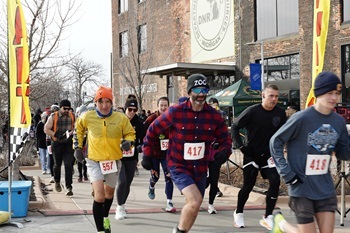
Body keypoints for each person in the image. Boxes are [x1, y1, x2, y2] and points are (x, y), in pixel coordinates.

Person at [142, 74, 232, 233]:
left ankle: (180, 230)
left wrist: (223, 153)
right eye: (197, 90)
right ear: (190, 91)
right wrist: (147, 153)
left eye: (205, 90)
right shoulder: (175, 112)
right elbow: (153, 130)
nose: (202, 94)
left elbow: (226, 139)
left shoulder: (213, 116)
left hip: (200, 168)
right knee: (195, 200)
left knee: (194, 206)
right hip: (178, 165)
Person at [269, 71, 350, 233]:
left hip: (325, 188)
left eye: (337, 93)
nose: (334, 98)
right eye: (329, 93)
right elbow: (275, 142)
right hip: (301, 187)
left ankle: (281, 225)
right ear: (318, 93)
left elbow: (343, 153)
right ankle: (281, 224)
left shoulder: (338, 121)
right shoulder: (301, 118)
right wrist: (287, 173)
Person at [73, 86, 135, 233]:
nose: (104, 105)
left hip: (113, 161)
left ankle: (105, 216)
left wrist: (129, 142)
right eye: (101, 102)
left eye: (108, 101)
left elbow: (130, 133)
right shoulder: (87, 116)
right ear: (96, 103)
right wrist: (77, 147)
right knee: (99, 195)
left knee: (109, 194)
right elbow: (78, 130)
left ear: (112, 102)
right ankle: (100, 230)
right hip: (94, 160)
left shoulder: (120, 118)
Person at [231, 84, 287, 230]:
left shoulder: (280, 113)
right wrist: (242, 147)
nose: (274, 99)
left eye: (276, 96)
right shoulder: (252, 111)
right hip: (252, 154)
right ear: (263, 96)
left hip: (269, 155)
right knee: (248, 186)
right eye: (271, 96)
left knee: (275, 181)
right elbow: (235, 127)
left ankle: (268, 216)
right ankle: (238, 212)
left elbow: (284, 133)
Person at [143, 96, 176, 213]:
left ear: (168, 106)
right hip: (154, 154)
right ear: (158, 106)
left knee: (169, 177)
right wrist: (145, 153)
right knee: (155, 177)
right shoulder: (151, 119)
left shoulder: (172, 118)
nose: (163, 108)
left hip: (167, 154)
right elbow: (144, 134)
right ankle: (151, 186)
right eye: (161, 105)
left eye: (165, 106)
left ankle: (169, 202)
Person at [115, 98, 145, 220]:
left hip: (132, 157)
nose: (132, 112)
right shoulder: (118, 120)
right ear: (125, 109)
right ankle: (119, 207)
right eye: (130, 109)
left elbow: (144, 140)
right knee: (121, 181)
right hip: (118, 156)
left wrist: (140, 147)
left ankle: (122, 205)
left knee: (127, 183)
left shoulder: (139, 123)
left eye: (134, 110)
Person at [44, 99, 75, 196]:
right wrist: (55, 135)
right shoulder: (53, 116)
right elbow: (46, 129)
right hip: (56, 143)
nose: (66, 110)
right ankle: (57, 181)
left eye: (68, 108)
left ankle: (69, 186)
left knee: (68, 164)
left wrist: (72, 132)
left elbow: (76, 126)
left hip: (68, 144)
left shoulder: (72, 116)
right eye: (64, 108)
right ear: (60, 108)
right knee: (57, 165)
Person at [75, 105, 88, 183]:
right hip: (80, 141)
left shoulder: (87, 119)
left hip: (86, 141)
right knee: (80, 159)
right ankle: (81, 175)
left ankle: (83, 175)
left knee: (83, 159)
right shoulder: (77, 121)